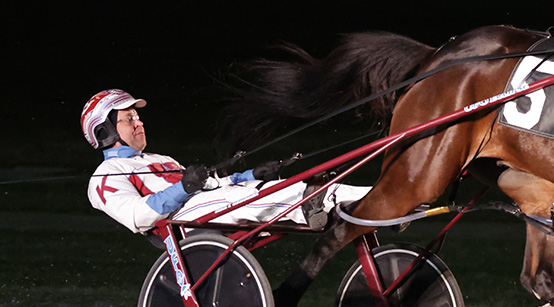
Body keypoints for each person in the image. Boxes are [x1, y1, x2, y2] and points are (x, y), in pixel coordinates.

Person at [82, 89, 369, 235]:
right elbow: (138, 217)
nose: (139, 122)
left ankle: (376, 203)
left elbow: (213, 185)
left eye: (138, 115)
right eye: (128, 118)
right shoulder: (106, 175)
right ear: (104, 131)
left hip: (203, 206)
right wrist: (184, 188)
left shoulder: (160, 159)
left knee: (280, 186)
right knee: (289, 195)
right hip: (184, 222)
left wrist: (250, 174)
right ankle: (369, 207)